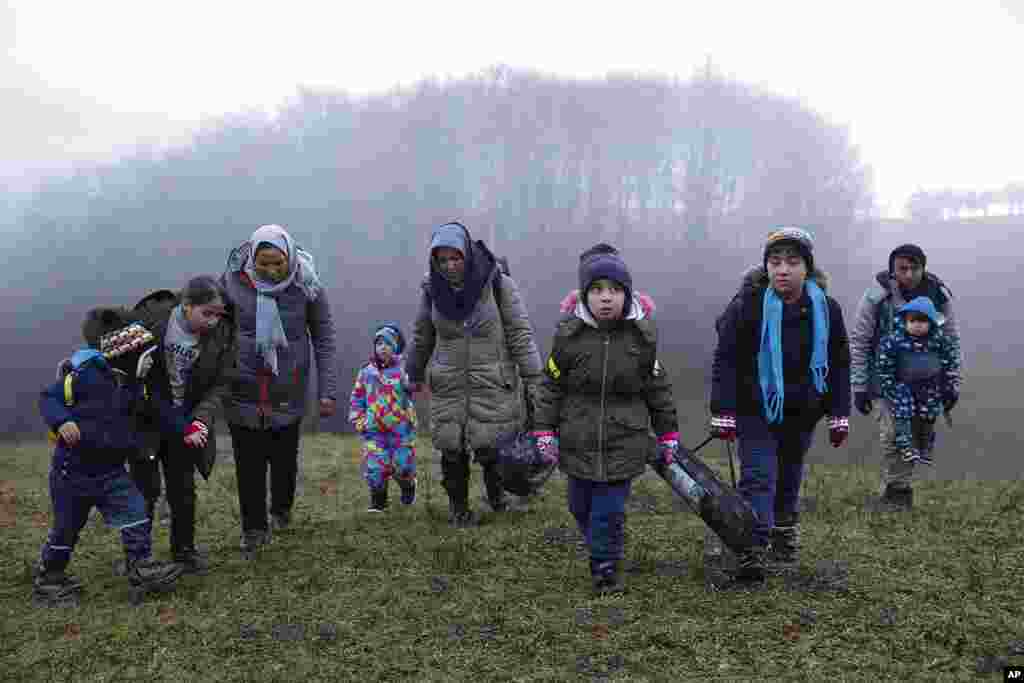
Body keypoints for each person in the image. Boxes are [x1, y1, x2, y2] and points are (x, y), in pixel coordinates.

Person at [532, 243, 681, 596]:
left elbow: (657, 389)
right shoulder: (569, 337)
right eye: (597, 290)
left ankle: (605, 568)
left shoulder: (642, 338)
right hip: (577, 437)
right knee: (579, 506)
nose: (606, 298)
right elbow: (550, 386)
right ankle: (602, 546)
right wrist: (544, 430)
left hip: (624, 440)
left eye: (614, 290)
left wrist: (668, 434)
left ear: (627, 295)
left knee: (608, 511)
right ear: (585, 296)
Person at [710, 227, 851, 583]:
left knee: (788, 478)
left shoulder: (827, 309)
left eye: (792, 262)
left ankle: (783, 540)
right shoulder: (748, 306)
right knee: (758, 477)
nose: (782, 270)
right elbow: (726, 358)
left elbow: (839, 361)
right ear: (766, 267)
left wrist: (839, 412)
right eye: (775, 262)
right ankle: (750, 550)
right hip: (755, 408)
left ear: (808, 268)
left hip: (802, 412)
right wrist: (722, 411)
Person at [34, 308, 182, 606]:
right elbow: (48, 397)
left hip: (111, 471)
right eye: (145, 353)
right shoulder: (84, 375)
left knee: (135, 511)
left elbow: (133, 418)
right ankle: (51, 576)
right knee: (67, 527)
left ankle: (140, 565)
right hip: (71, 474)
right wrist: (61, 421)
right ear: (124, 351)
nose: (151, 359)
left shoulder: (128, 384)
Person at [405, 221, 542, 527]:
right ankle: (458, 509)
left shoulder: (497, 283)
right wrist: (412, 373)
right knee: (451, 448)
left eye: (455, 258)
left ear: (467, 254)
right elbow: (422, 336)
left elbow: (520, 333)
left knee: (491, 445)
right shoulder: (432, 291)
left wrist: (534, 378)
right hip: (449, 381)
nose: (450, 266)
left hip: (491, 379)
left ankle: (498, 500)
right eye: (442, 260)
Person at [221, 224, 338, 558]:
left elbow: (324, 339)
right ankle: (254, 529)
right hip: (241, 390)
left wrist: (326, 392)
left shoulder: (308, 286)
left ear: (290, 258)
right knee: (249, 464)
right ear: (251, 259)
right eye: (264, 264)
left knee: (284, 460)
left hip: (287, 390)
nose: (272, 271)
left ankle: (281, 510)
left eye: (278, 264)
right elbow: (214, 329)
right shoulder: (231, 283)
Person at [128, 276, 236, 575]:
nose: (214, 321)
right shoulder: (151, 325)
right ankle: (138, 559)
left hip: (187, 424)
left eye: (219, 314)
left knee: (183, 489)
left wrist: (201, 419)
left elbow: (221, 383)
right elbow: (139, 385)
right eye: (207, 313)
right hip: (147, 422)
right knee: (145, 491)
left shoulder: (221, 336)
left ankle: (184, 552)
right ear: (187, 307)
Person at [848, 244, 961, 510]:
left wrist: (952, 383)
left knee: (912, 435)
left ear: (924, 268)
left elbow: (951, 340)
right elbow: (860, 340)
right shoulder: (877, 295)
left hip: (926, 385)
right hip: (884, 379)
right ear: (892, 269)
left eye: (914, 268)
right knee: (891, 435)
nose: (908, 274)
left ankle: (898, 491)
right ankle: (896, 489)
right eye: (902, 268)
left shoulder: (938, 296)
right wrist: (859, 385)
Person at [876, 297, 961, 467]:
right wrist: (889, 385)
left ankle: (926, 448)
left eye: (922, 320)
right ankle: (906, 447)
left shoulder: (940, 340)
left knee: (928, 416)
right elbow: (884, 364)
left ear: (931, 321)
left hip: (930, 387)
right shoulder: (895, 340)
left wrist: (950, 386)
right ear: (905, 320)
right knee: (903, 415)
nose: (917, 324)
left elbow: (950, 362)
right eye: (912, 320)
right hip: (903, 386)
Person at [348, 323, 418, 512]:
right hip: (374, 429)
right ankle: (378, 502)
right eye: (379, 344)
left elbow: (413, 390)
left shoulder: (404, 371)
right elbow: (357, 397)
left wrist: (411, 385)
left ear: (395, 347)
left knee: (402, 465)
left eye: (387, 343)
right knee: (376, 465)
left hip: (400, 428)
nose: (383, 348)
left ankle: (408, 486)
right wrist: (359, 419)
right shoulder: (367, 372)